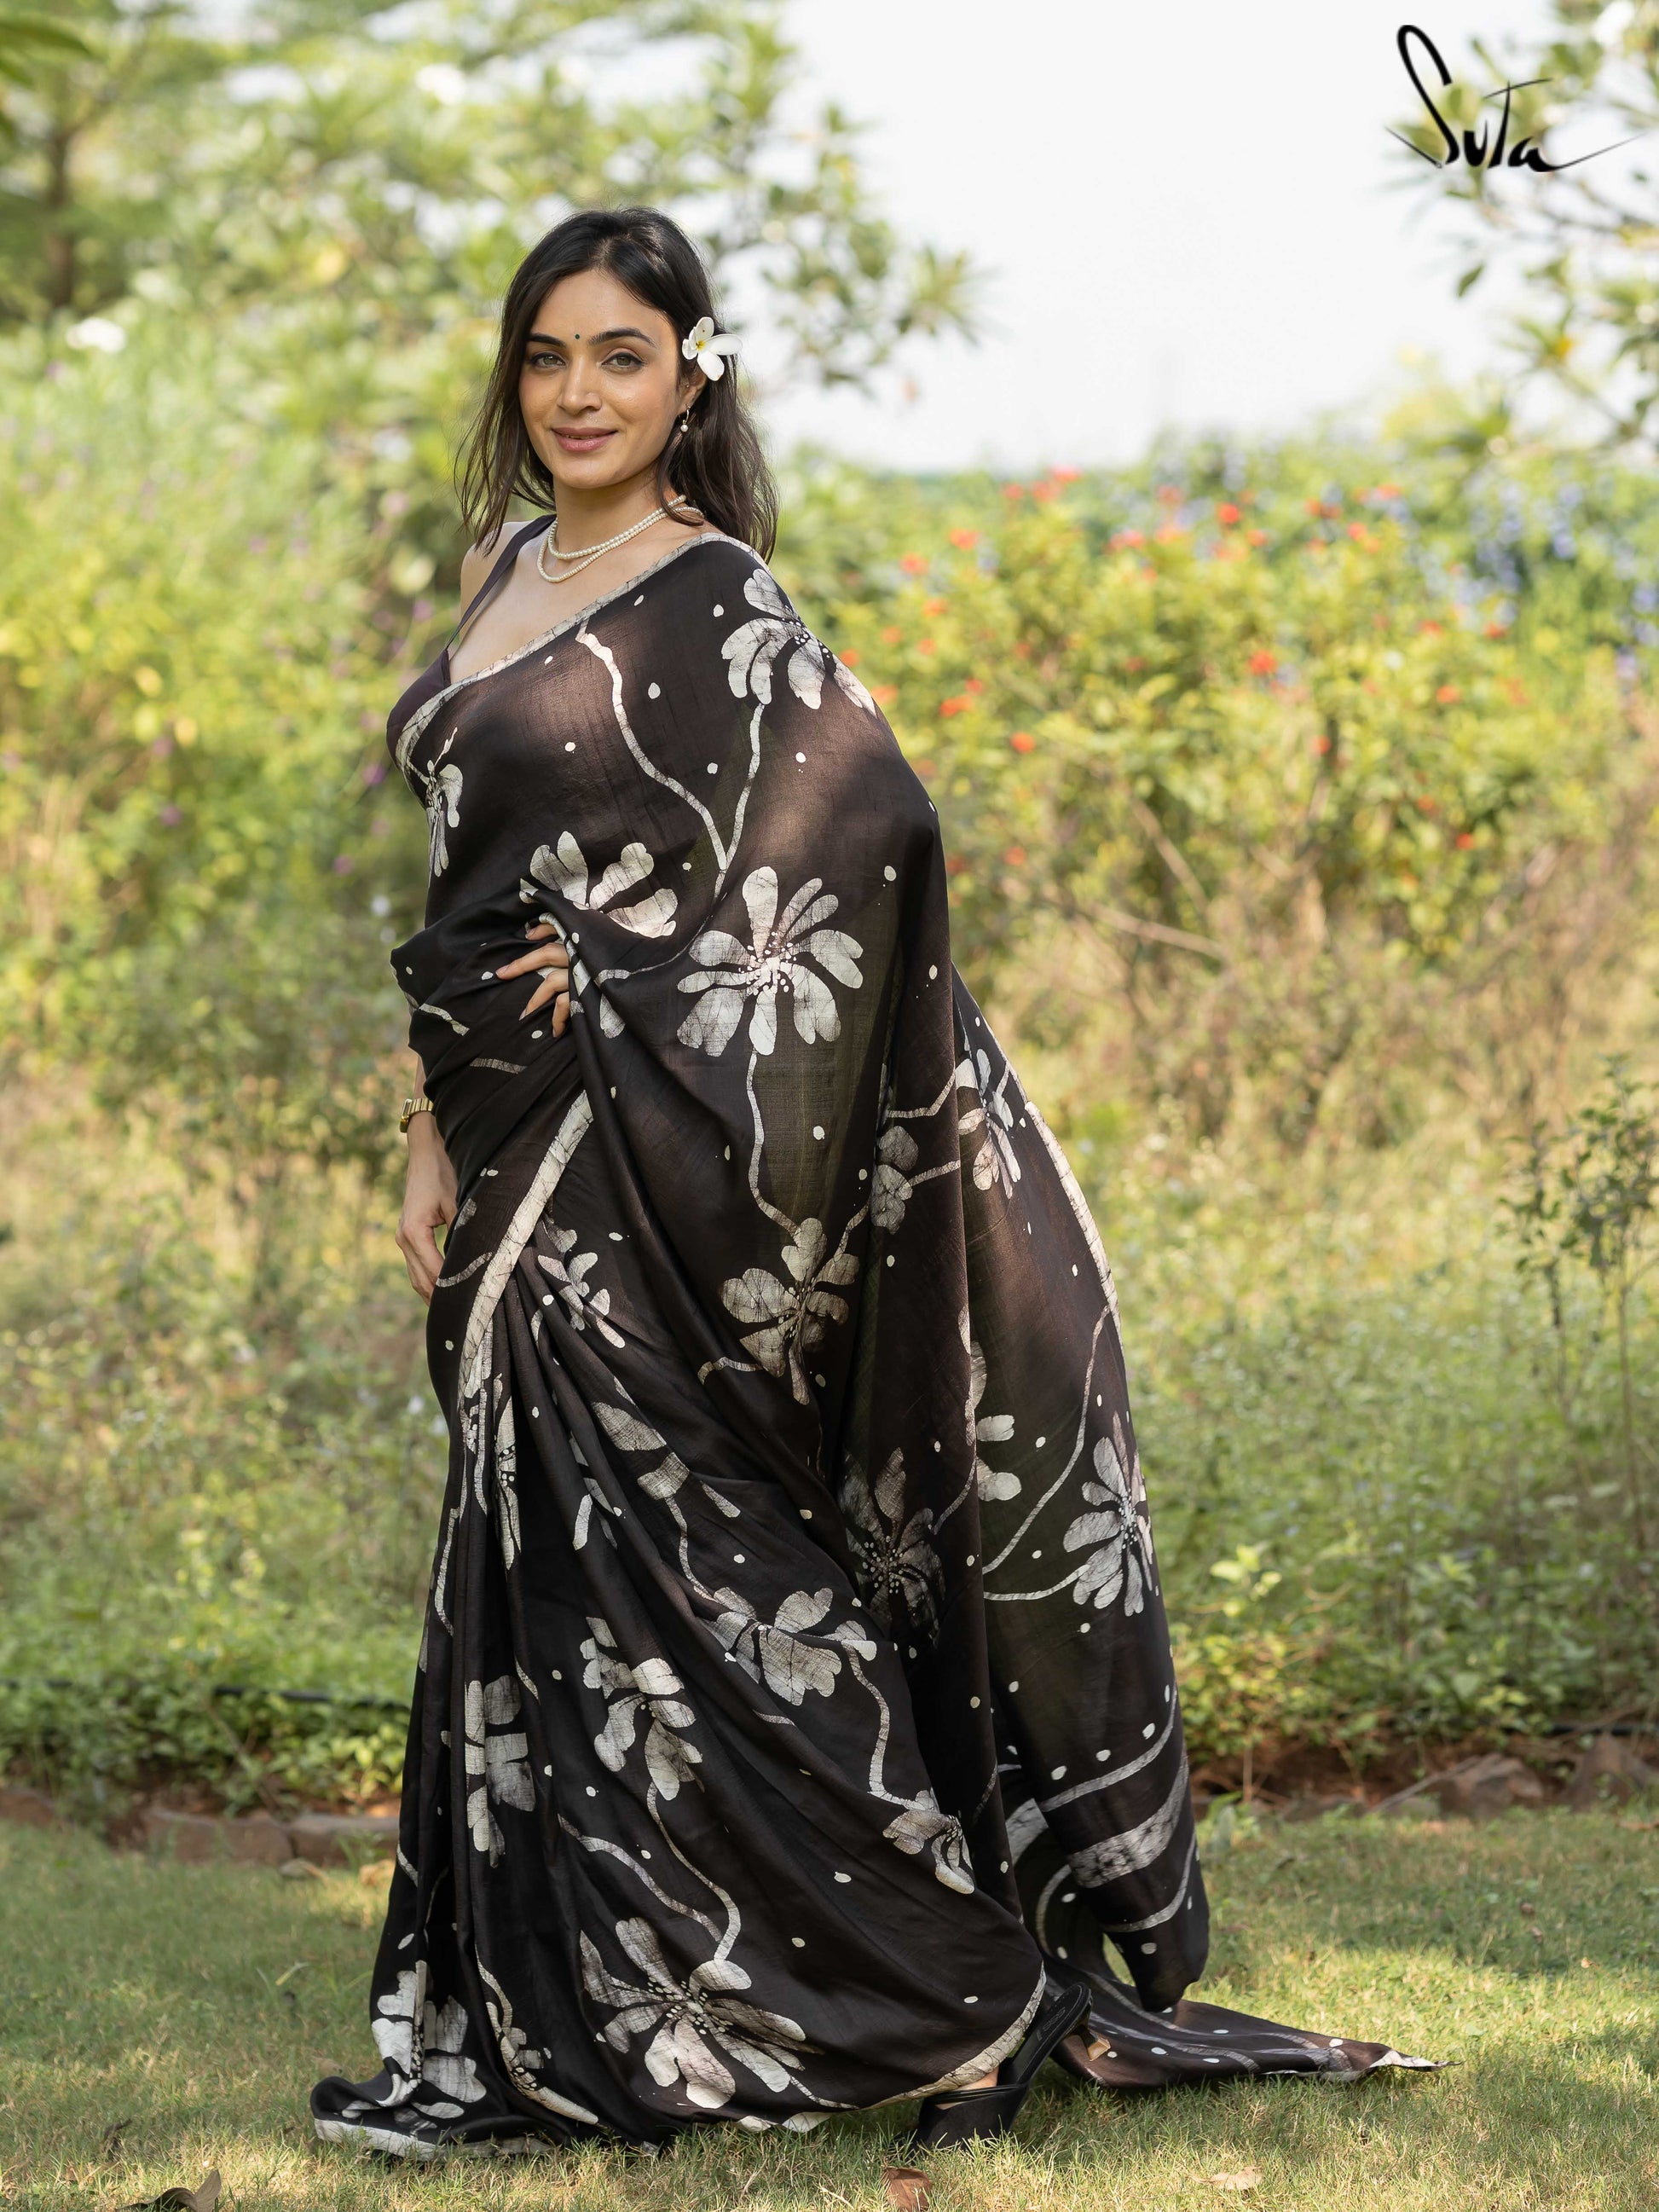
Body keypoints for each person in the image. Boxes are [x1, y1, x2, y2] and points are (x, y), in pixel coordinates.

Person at [310, 206, 1432, 2161]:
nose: (578, 392)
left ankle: (960, 1991)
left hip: (634, 1155)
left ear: (690, 377)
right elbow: (462, 868)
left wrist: (632, 989)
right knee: (554, 1569)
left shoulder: (713, 592)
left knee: (703, 1571)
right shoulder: (502, 567)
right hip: (496, 1135)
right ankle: (600, 1994)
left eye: (622, 355)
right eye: (548, 355)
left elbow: (869, 832)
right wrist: (425, 1117)